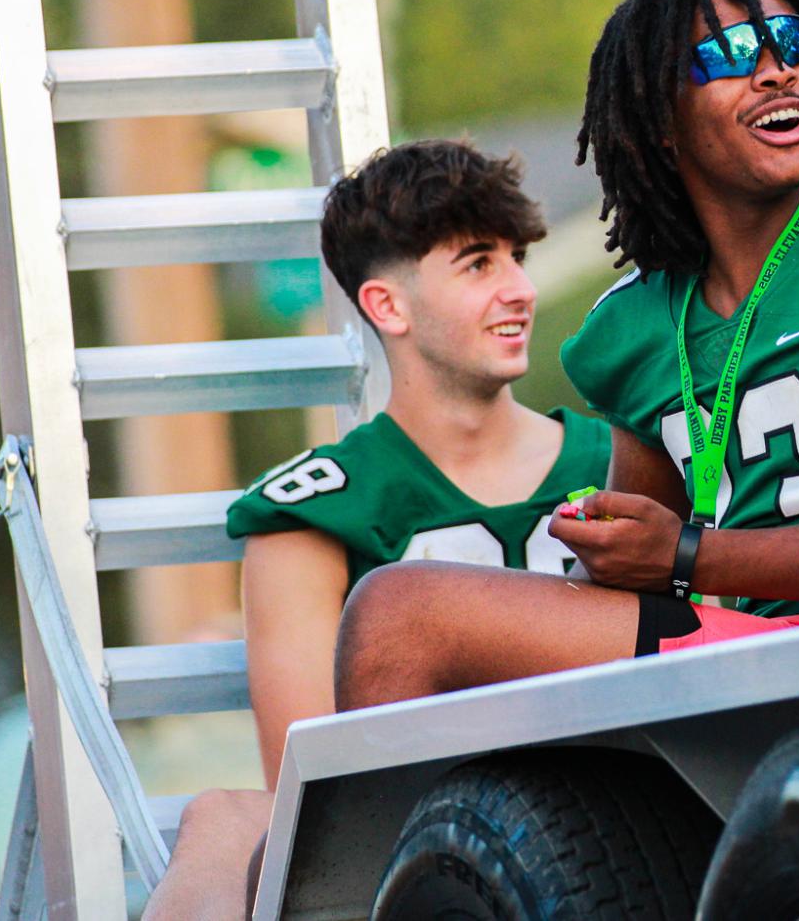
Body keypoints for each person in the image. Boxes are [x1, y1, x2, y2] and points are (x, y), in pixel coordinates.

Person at [330, 0, 799, 712]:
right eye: (731, 55)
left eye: (794, 43)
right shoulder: (632, 324)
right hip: (751, 659)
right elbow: (637, 567)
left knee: (400, 616)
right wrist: (606, 551)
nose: (775, 72)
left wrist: (691, 556)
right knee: (405, 617)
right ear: (659, 124)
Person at [143, 139, 609, 921]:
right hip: (418, 845)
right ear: (387, 306)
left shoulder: (620, 462)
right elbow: (315, 790)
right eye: (477, 264)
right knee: (228, 820)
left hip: (616, 815)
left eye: (516, 258)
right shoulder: (316, 509)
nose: (520, 290)